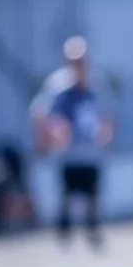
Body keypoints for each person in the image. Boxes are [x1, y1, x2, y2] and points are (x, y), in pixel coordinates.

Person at [31, 36, 114, 250]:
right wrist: (49, 134)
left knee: (92, 196)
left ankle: (93, 236)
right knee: (67, 195)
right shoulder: (58, 87)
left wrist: (105, 133)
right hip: (68, 152)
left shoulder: (95, 85)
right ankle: (64, 237)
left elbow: (107, 115)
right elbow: (39, 113)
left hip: (90, 151)